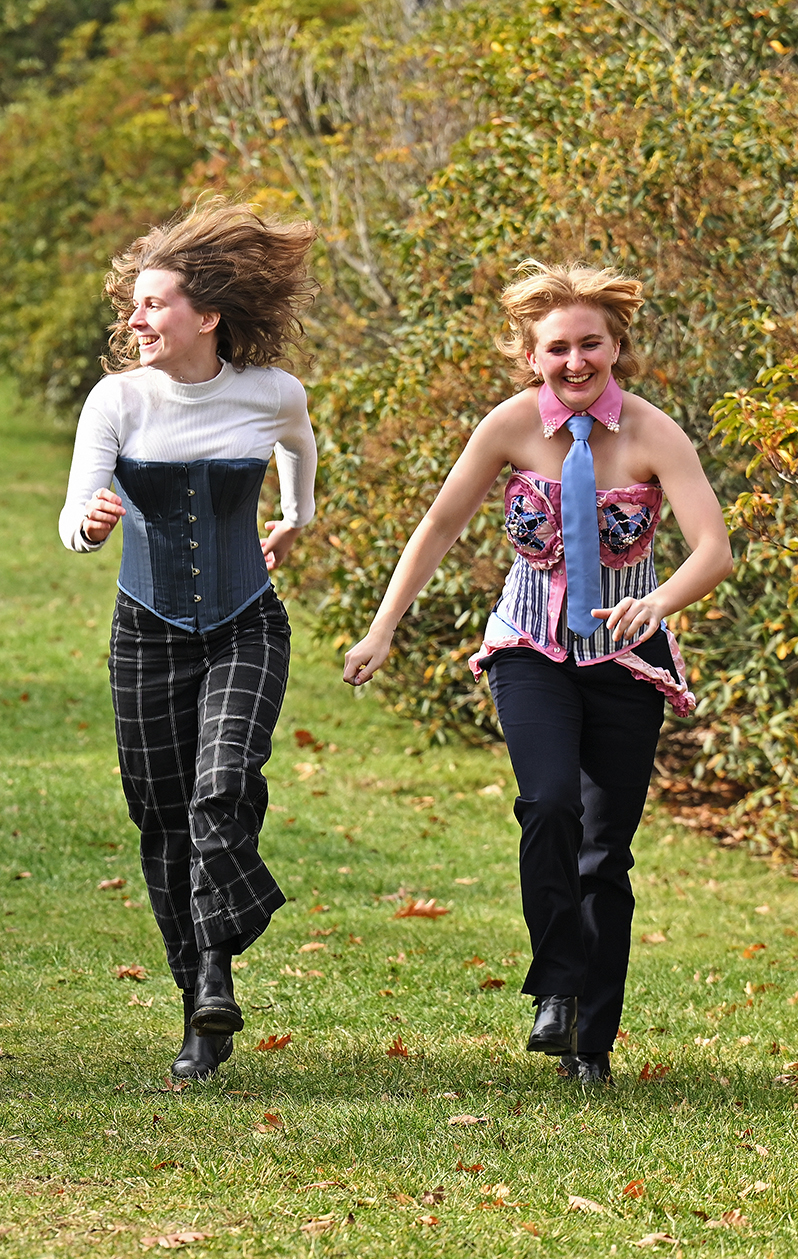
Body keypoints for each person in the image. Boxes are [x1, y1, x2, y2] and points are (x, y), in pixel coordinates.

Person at [343, 262, 732, 1084]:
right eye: (558, 348)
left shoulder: (656, 435)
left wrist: (659, 600)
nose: (577, 362)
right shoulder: (511, 426)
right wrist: (382, 631)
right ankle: (554, 991)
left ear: (617, 346)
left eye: (592, 344)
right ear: (532, 356)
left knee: (605, 854)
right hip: (530, 647)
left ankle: (591, 1043)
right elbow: (440, 525)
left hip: (626, 657)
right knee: (547, 803)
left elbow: (713, 549)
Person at [58, 200, 319, 1084]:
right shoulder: (117, 400)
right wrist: (90, 525)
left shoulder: (270, 393)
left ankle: (217, 961)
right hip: (147, 631)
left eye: (152, 304)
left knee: (223, 785)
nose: (134, 319)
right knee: (163, 822)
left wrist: (296, 517)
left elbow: (299, 444)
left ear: (205, 317)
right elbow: (73, 516)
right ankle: (200, 1005)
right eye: (132, 305)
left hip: (247, 623)